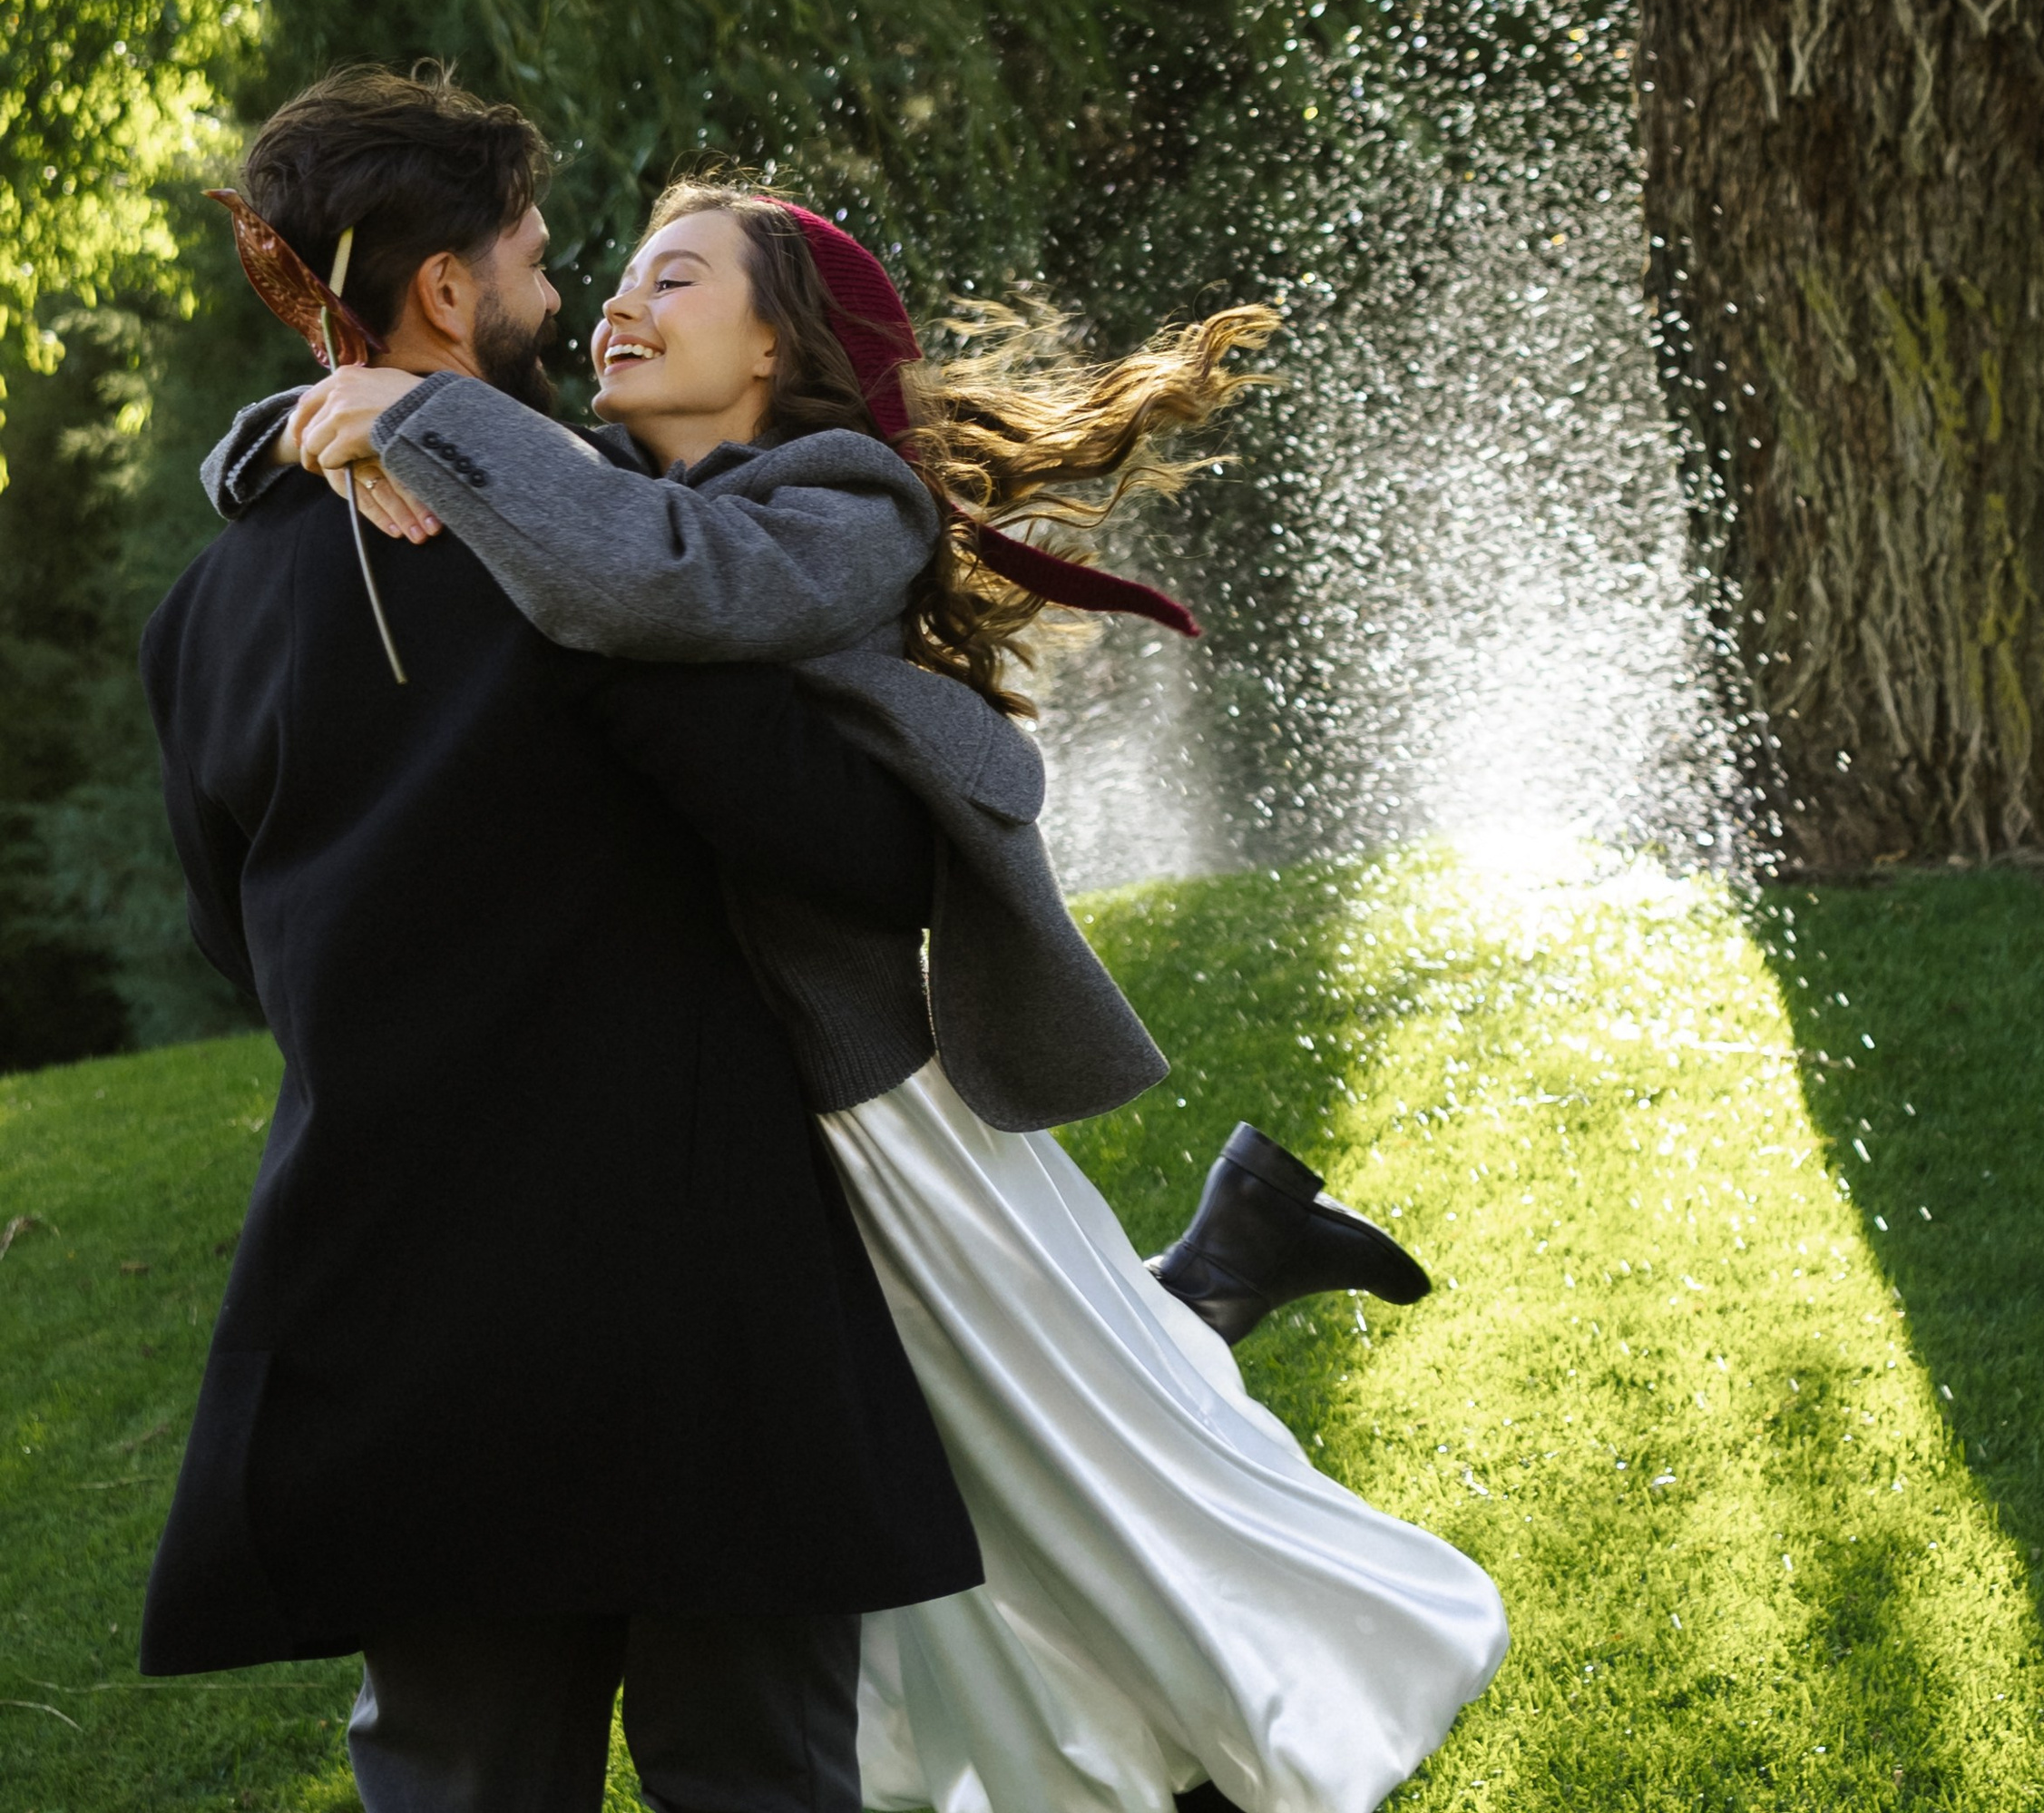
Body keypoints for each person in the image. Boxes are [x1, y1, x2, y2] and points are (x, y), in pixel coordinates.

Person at [230, 161, 1510, 1813]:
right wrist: (288, 437)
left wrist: (408, 413)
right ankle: (1227, 1273)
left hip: (852, 1101)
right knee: (977, 1469)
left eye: (676, 277)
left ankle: (1274, 1638)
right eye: (621, 274)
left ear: (776, 344)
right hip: (698, 1119)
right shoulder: (592, 483)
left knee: (1078, 1455)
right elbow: (503, 492)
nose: (618, 301)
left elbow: (662, 583)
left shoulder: (844, 504)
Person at [142, 71, 983, 1813]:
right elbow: (853, 856)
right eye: (531, 257)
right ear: (448, 291)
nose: (561, 287)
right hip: (691, 1291)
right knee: (755, 1779)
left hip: (390, 1297)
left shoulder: (205, 611)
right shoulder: (614, 561)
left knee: (461, 1784)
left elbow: (240, 941)